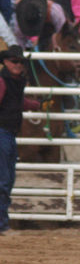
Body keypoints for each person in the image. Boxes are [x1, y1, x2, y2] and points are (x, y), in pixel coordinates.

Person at [0, 45, 40, 235]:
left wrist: (34, 104)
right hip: (3, 134)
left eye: (20, 62)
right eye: (14, 61)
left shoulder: (14, 81)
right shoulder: (4, 81)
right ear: (5, 62)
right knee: (4, 180)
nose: (18, 65)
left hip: (8, 133)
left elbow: (15, 101)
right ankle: (2, 225)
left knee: (6, 179)